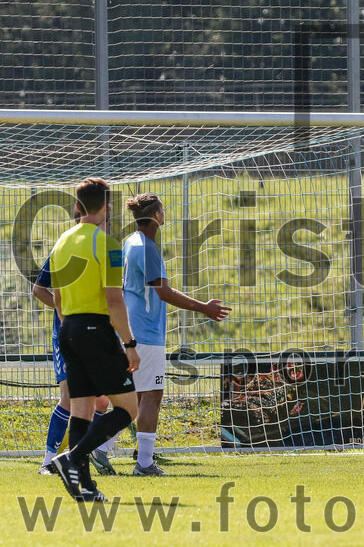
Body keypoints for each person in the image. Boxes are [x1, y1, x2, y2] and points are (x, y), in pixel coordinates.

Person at [121, 192, 231, 475]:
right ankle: (143, 463)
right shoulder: (147, 248)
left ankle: (101, 449)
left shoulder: (130, 242)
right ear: (157, 216)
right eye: (162, 210)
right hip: (145, 331)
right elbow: (164, 291)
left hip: (131, 329)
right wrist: (203, 308)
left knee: (134, 397)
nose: (164, 214)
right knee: (152, 394)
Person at [49, 178, 140, 502]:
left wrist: (69, 332)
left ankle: (84, 486)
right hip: (94, 328)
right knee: (128, 408)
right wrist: (129, 345)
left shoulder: (61, 242)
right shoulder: (107, 243)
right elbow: (114, 300)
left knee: (82, 408)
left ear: (77, 206)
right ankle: (71, 459)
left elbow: (57, 297)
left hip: (68, 329)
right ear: (107, 207)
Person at [34, 209, 117, 476]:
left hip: (97, 335)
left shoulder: (107, 251)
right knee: (69, 398)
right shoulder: (65, 249)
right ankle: (48, 461)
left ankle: (88, 449)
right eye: (102, 219)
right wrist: (67, 315)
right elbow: (39, 289)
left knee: (103, 402)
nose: (105, 225)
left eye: (107, 220)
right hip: (68, 335)